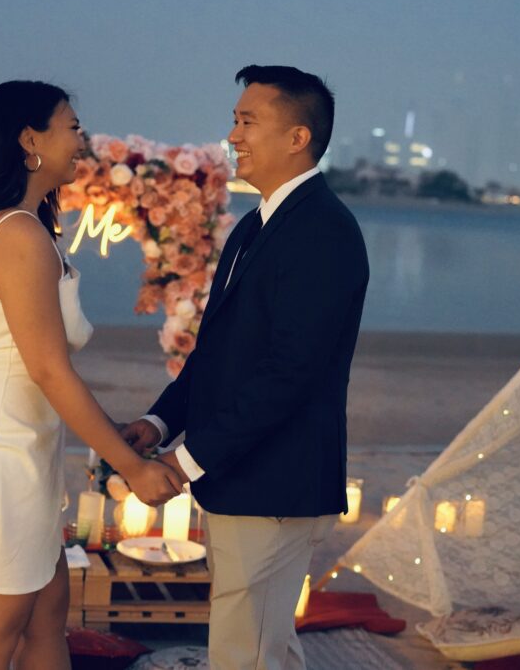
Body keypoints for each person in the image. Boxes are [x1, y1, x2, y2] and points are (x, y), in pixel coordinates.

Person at [0, 80, 183, 670]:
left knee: (47, 623)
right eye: (72, 125)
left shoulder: (26, 225)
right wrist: (130, 464)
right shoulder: (19, 234)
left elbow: (36, 364)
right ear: (29, 139)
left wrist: (115, 430)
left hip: (21, 445)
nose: (82, 137)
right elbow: (47, 369)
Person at [123, 65, 369, 670]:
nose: (233, 135)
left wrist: (184, 461)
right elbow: (218, 355)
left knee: (244, 650)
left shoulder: (323, 231)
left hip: (276, 482)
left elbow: (291, 373)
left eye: (248, 121)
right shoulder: (252, 227)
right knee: (262, 644)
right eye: (235, 119)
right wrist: (159, 423)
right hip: (244, 476)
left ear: (297, 137)